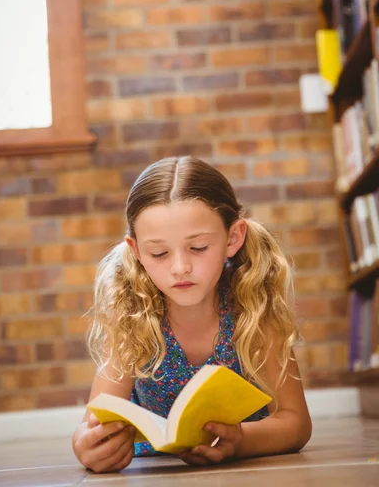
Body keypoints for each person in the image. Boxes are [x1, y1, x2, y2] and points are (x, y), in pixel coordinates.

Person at [72, 156, 312, 473]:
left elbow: (296, 423)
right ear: (137, 251)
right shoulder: (130, 313)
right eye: (159, 253)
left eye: (198, 247)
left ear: (233, 238)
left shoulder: (252, 306)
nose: (180, 267)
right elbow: (94, 420)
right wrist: (85, 444)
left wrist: (239, 441)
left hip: (243, 464)